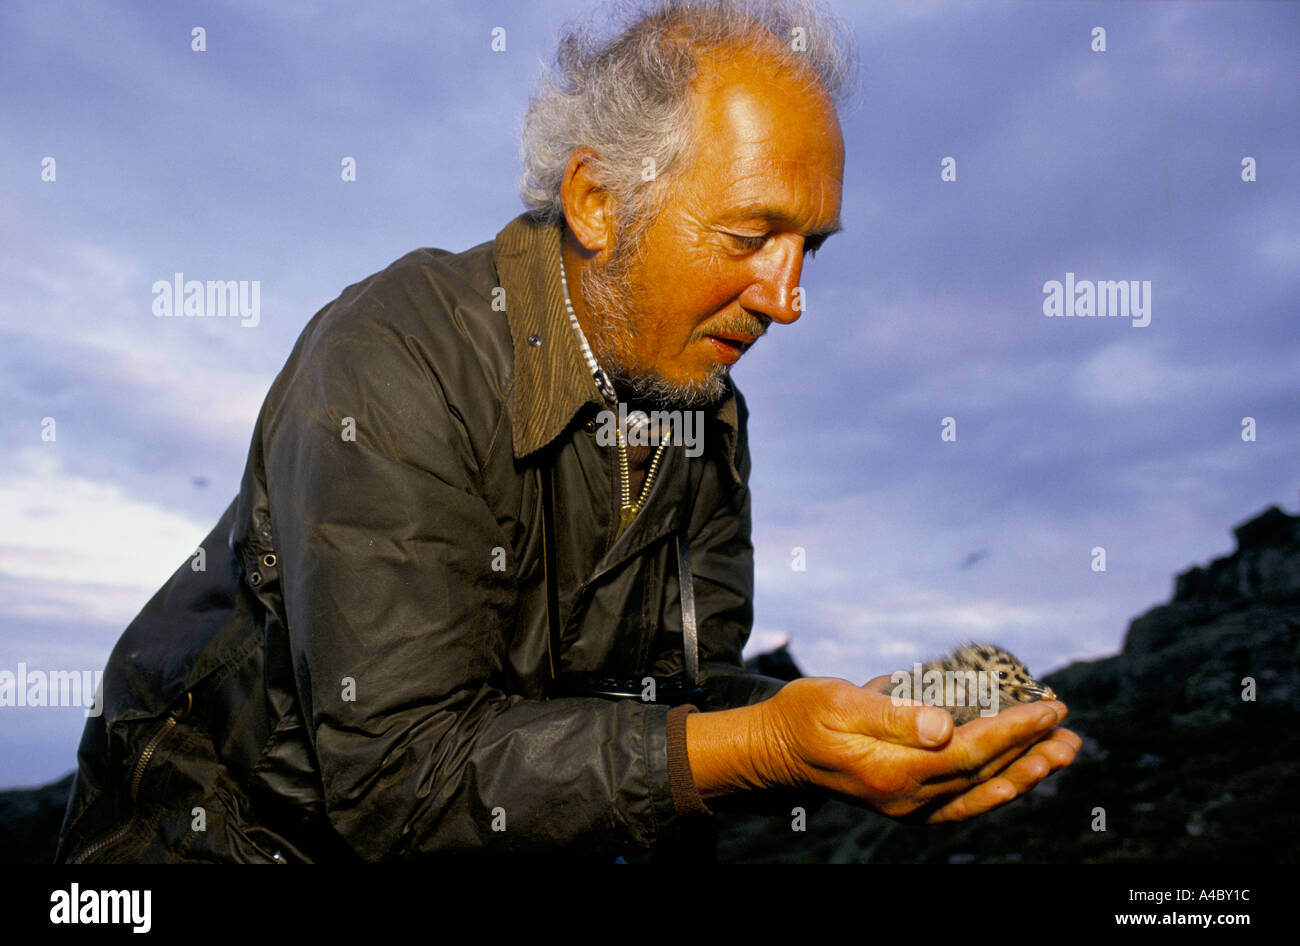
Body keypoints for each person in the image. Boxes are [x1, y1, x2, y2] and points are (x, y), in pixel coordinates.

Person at [56, 0, 1078, 863]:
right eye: (750, 234)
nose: (789, 297)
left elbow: (673, 704)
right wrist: (768, 744)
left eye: (809, 244)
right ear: (597, 199)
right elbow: (394, 777)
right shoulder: (396, 357)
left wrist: (850, 723)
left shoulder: (706, 410)